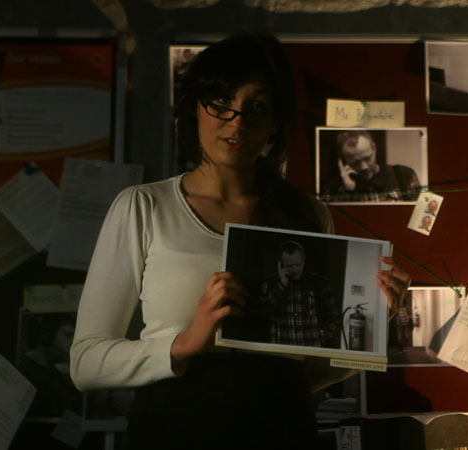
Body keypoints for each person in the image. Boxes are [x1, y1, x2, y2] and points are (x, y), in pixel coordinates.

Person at [69, 34, 411, 450]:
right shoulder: (144, 206)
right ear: (194, 107)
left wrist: (375, 322)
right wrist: (185, 343)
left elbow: (308, 373)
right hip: (174, 429)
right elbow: (85, 362)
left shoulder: (306, 214)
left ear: (275, 122)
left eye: (257, 107)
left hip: (281, 428)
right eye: (221, 102)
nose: (237, 122)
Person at [259, 241, 341, 348]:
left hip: (311, 349)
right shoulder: (270, 283)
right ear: (281, 265)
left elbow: (333, 315)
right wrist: (281, 286)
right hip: (282, 350)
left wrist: (321, 336)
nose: (294, 270)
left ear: (304, 261)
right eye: (289, 266)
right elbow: (263, 312)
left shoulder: (319, 283)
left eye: (298, 265)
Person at [323, 130, 420, 201]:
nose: (363, 167)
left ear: (374, 148)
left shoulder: (405, 175)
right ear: (343, 160)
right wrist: (349, 191)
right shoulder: (334, 189)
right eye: (355, 163)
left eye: (368, 158)